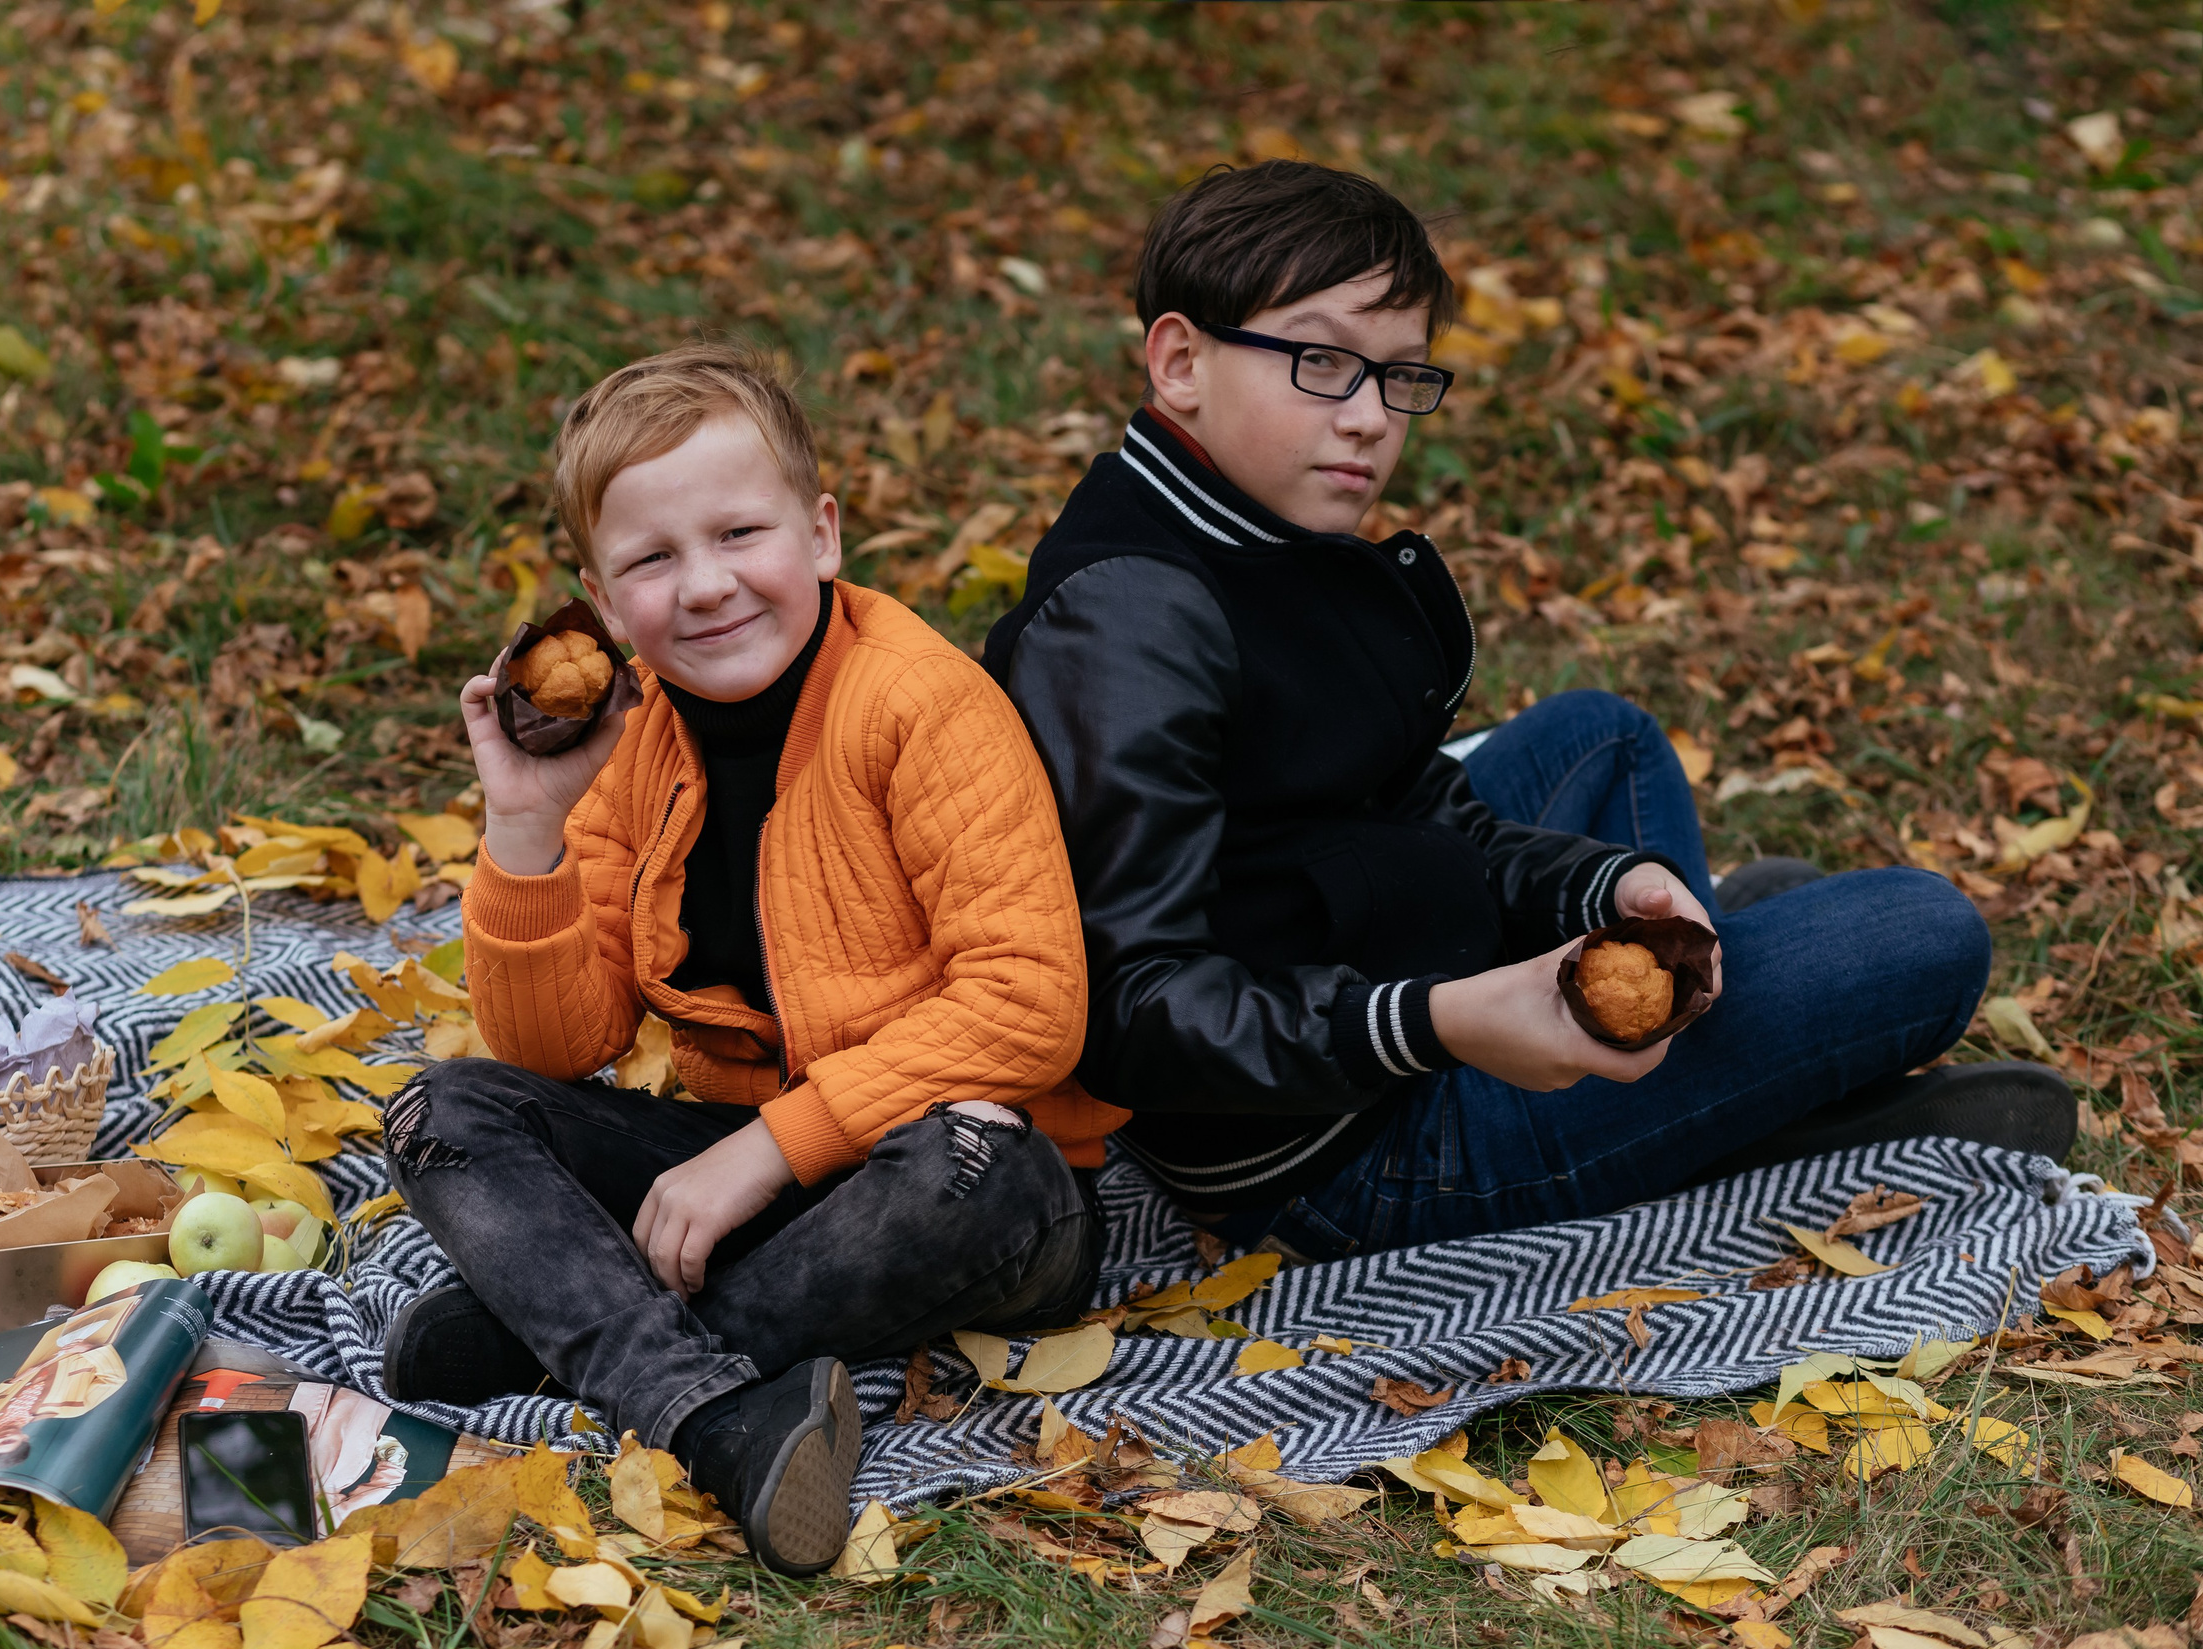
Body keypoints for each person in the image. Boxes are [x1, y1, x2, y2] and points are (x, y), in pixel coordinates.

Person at [985, 159, 2071, 1266]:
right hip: (1346, 1158)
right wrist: (1440, 1019)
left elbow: (1414, 807)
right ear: (1179, 361)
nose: (1370, 418)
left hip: (1368, 944)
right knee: (1922, 932)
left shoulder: (1257, 527)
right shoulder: (1131, 622)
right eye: (1323, 363)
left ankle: (1704, 1045)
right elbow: (1131, 1009)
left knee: (1605, 740)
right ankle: (1749, 1121)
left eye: (1399, 374)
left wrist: (1601, 886)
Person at [378, 345, 1119, 1574]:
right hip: (753, 1173)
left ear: (821, 533)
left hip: (962, 1171)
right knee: (442, 1110)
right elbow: (560, 1046)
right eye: (652, 560)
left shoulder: (919, 705)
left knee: (971, 1164)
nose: (707, 585)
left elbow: (1029, 1005)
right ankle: (714, 1418)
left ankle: (564, 1337)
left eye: (738, 533)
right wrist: (524, 829)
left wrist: (769, 1149)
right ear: (601, 601)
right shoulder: (630, 737)